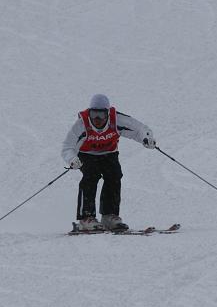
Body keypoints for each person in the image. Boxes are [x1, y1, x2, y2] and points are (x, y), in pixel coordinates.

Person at [62, 94, 156, 231]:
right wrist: (72, 159)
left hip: (109, 153)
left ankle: (109, 216)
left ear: (107, 113)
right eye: (93, 114)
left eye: (101, 114)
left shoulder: (117, 120)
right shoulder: (81, 124)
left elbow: (140, 129)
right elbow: (67, 147)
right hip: (87, 154)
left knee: (114, 176)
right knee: (91, 176)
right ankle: (86, 218)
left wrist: (146, 138)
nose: (97, 119)